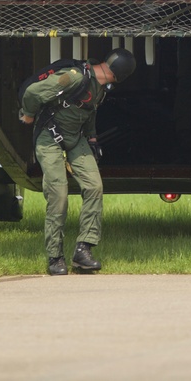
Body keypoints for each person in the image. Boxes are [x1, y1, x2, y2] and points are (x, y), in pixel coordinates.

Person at [20, 48, 136, 275]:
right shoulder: (75, 76)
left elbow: (88, 111)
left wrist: (92, 139)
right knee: (58, 194)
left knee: (94, 187)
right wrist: (28, 114)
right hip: (49, 136)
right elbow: (33, 92)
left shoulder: (100, 88)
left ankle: (83, 250)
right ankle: (55, 257)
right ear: (120, 76)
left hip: (76, 138)